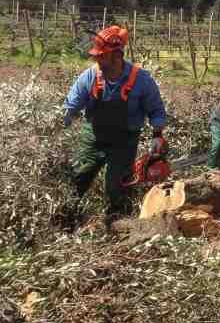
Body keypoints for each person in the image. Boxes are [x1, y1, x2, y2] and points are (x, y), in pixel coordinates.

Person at [62, 26, 168, 222]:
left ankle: (117, 225)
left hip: (124, 142)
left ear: (117, 56)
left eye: (101, 56)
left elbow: (156, 110)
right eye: (96, 56)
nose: (97, 60)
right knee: (76, 178)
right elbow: (71, 105)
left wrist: (157, 136)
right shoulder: (91, 76)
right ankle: (66, 221)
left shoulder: (141, 80)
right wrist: (62, 121)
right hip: (93, 138)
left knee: (116, 187)